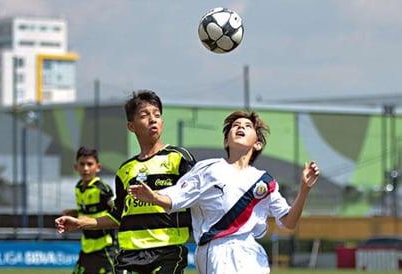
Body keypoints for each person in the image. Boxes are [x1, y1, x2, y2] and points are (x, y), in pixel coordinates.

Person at [129, 110, 320, 274]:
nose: (240, 127)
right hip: (216, 249)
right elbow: (177, 197)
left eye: (247, 126)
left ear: (257, 144)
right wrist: (153, 197)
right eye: (235, 125)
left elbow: (288, 221)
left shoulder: (265, 181)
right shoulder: (209, 169)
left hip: (251, 252)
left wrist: (304, 190)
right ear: (226, 141)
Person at [56, 90, 196, 274]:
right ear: (131, 126)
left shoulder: (178, 158)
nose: (153, 119)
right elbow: (117, 216)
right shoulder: (125, 171)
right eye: (144, 115)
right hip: (129, 256)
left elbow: (197, 198)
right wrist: (80, 222)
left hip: (167, 252)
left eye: (157, 115)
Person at [62, 146, 117, 274]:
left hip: (105, 248)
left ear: (98, 167)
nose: (85, 168)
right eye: (82, 164)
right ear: (76, 167)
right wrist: (74, 213)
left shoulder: (102, 189)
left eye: (89, 164)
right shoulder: (78, 187)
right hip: (87, 247)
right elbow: (87, 210)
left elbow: (115, 211)